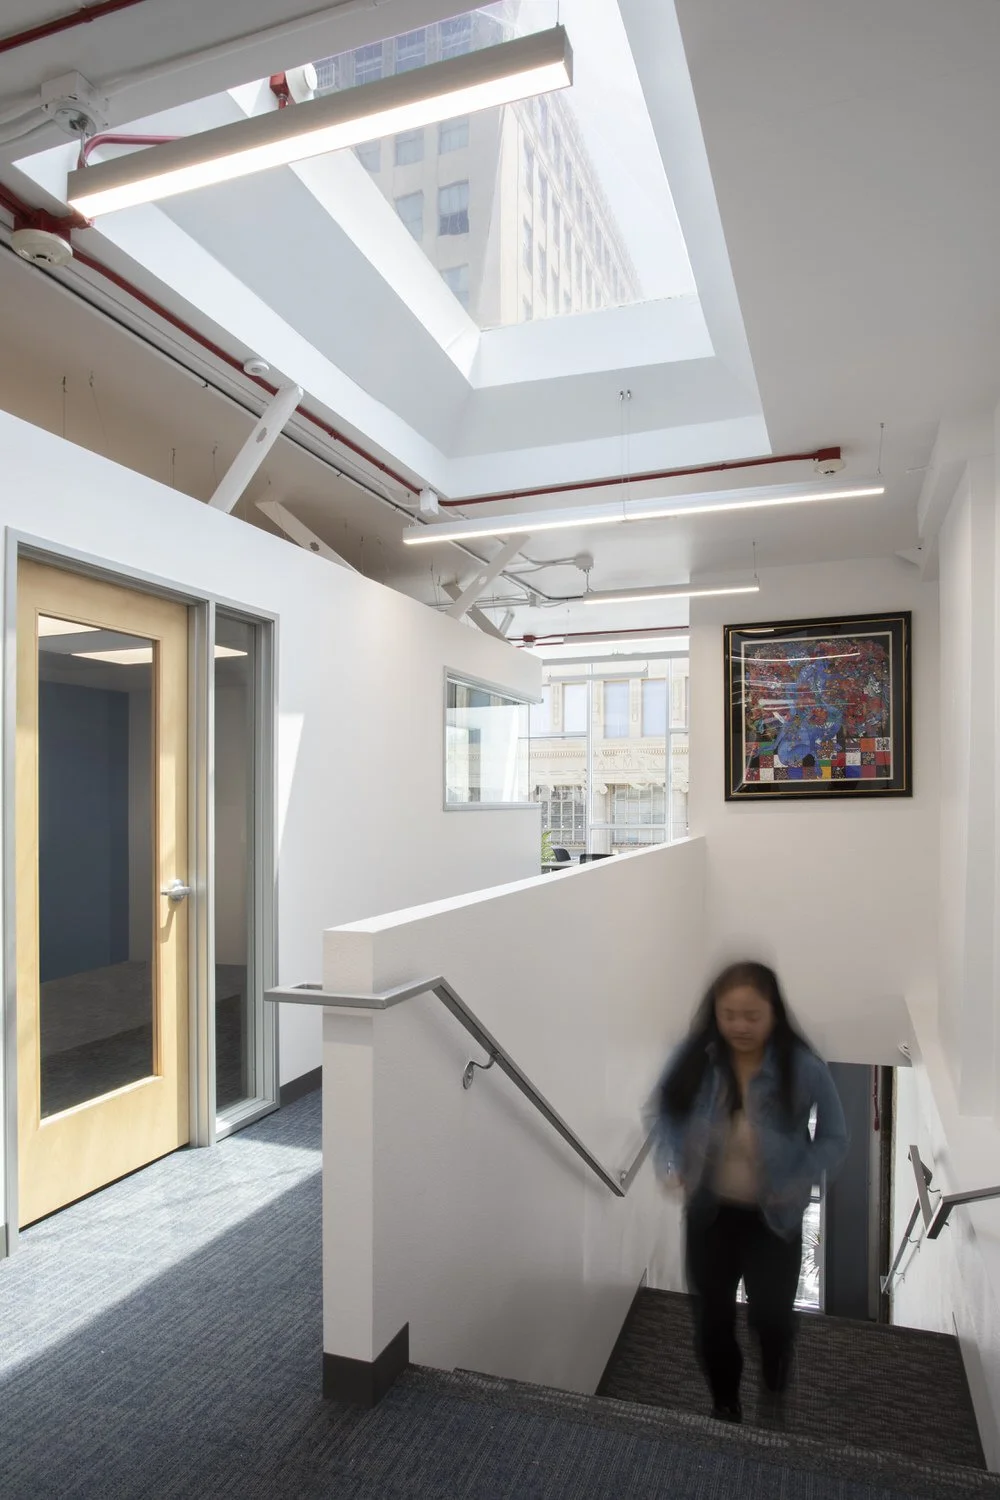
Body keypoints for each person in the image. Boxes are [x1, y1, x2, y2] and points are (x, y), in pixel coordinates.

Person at [652, 960, 848, 1424]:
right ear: (715, 1012)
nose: (739, 1025)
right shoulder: (695, 1059)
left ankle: (775, 1384)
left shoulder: (803, 1068)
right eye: (729, 1013)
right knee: (711, 1323)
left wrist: (802, 1173)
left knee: (773, 1319)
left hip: (773, 1218)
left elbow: (835, 1139)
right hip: (709, 1215)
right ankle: (725, 1405)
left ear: (774, 1013)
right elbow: (664, 1111)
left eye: (752, 1015)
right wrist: (672, 1157)